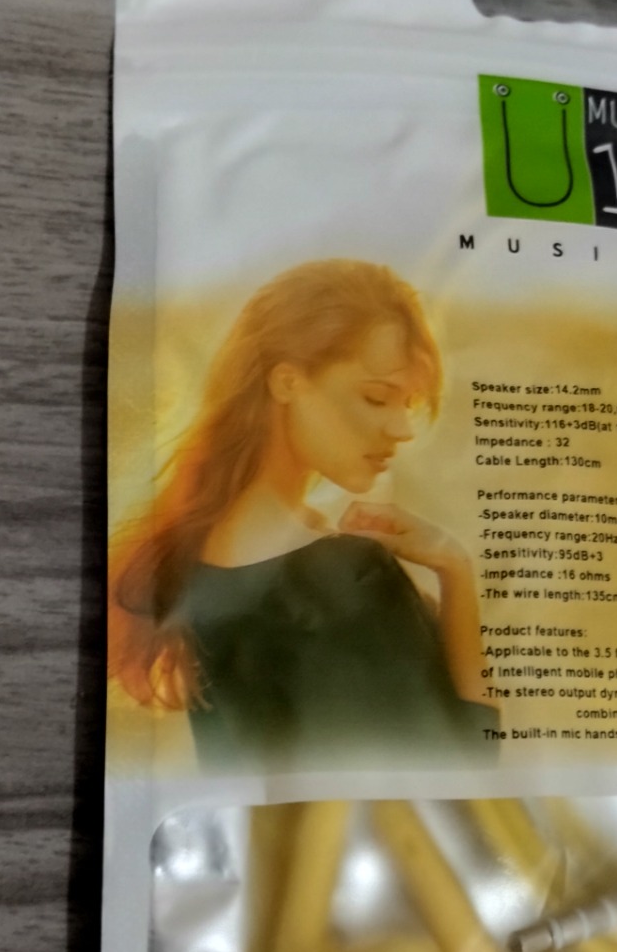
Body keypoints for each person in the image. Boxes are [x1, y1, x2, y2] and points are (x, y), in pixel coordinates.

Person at [109, 260, 496, 768]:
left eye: (408, 403)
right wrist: (455, 569)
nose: (403, 429)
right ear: (288, 382)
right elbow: (472, 763)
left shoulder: (197, 559)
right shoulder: (342, 575)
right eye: (376, 397)